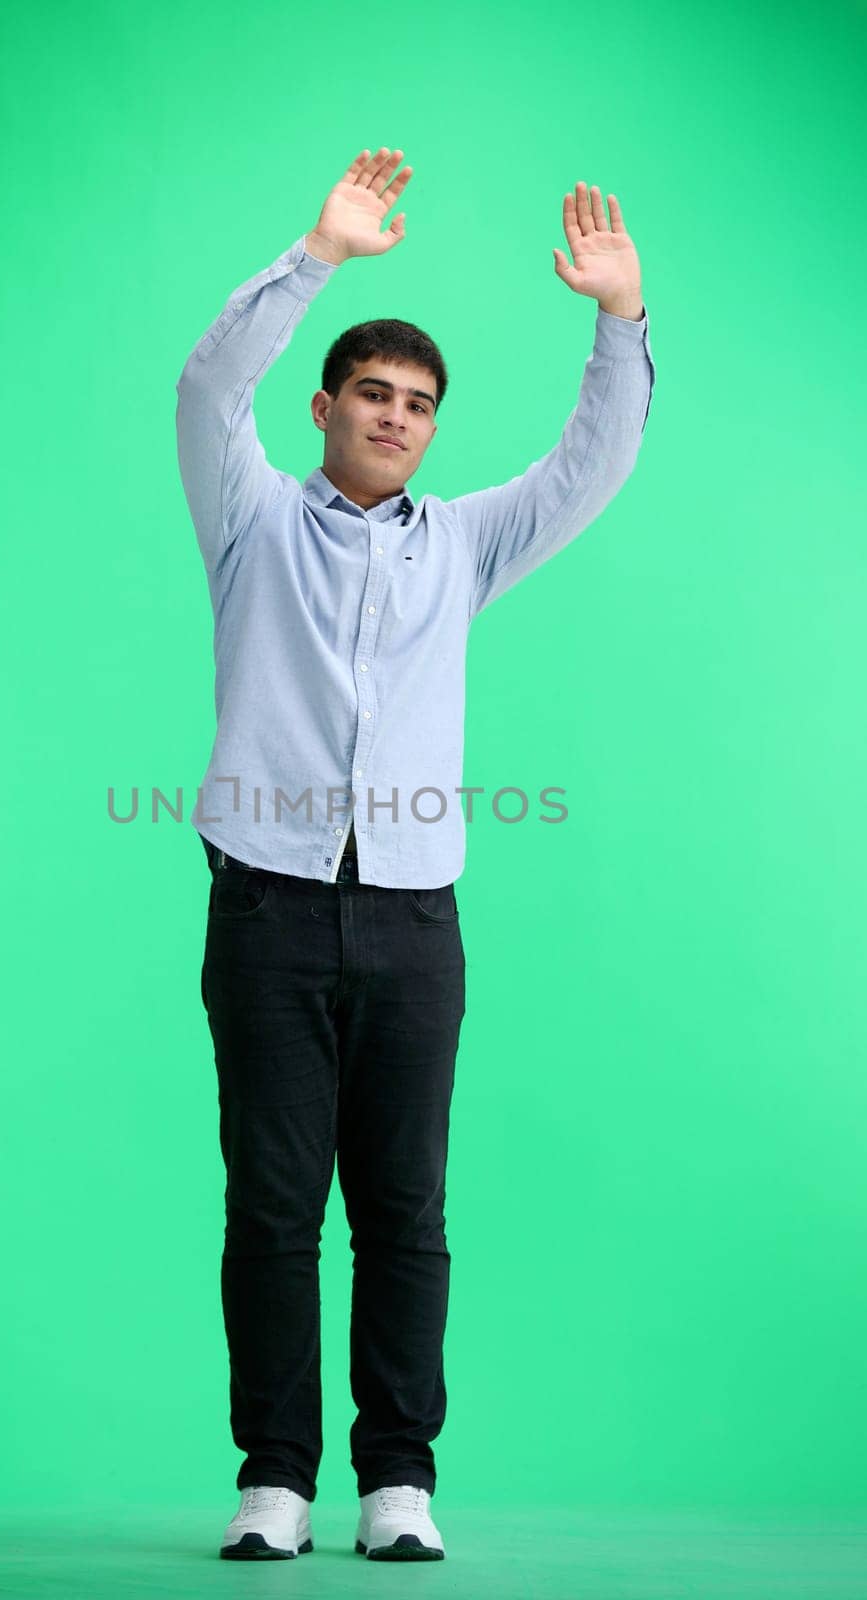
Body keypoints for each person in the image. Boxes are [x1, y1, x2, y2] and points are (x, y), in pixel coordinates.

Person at [175, 146, 655, 1562]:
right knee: (271, 1207)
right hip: (263, 908)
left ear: (433, 431)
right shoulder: (252, 516)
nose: (395, 418)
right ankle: (273, 1478)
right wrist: (317, 253)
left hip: (412, 923)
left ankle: (398, 1480)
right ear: (325, 408)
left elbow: (595, 463)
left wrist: (619, 320)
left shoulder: (463, 546)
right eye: (372, 396)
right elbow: (209, 389)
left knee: (404, 1210)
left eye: (418, 406)